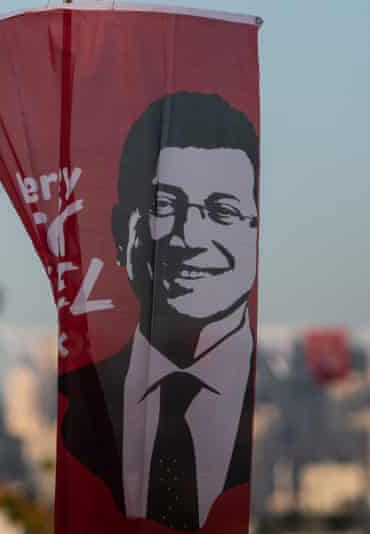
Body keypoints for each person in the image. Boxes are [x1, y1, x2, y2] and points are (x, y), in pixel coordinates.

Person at [58, 92, 259, 531]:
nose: (188, 237)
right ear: (120, 231)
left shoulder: (277, 412)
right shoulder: (77, 404)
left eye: (222, 211)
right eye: (163, 207)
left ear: (256, 231)